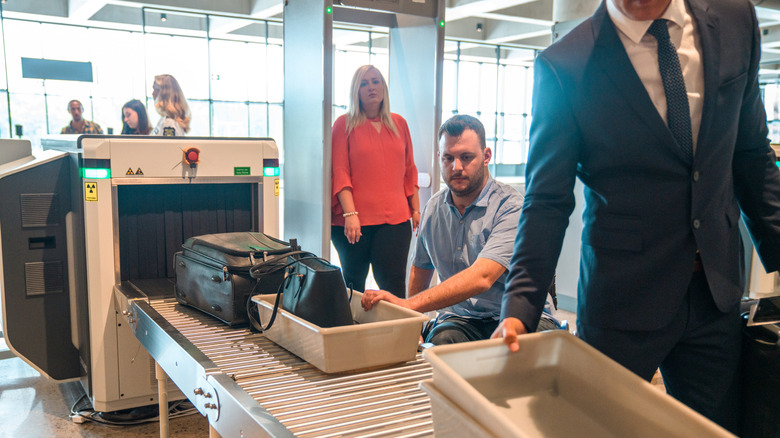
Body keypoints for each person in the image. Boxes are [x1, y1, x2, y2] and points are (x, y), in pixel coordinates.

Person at [492, 0, 780, 432]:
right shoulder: (566, 64)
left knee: (714, 430)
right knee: (600, 428)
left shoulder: (736, 21)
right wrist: (520, 306)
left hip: (715, 292)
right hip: (620, 300)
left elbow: (752, 155)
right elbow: (547, 201)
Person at [361, 115, 558, 345]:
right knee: (438, 347)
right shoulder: (434, 209)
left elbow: (482, 277)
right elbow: (420, 271)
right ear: (439, 159)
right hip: (461, 320)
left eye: (466, 157)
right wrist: (413, 322)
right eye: (448, 158)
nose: (457, 167)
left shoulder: (511, 207)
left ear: (486, 157)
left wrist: (407, 304)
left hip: (518, 318)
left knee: (515, 355)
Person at [331, 65, 420, 297]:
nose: (371, 87)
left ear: (383, 87)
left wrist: (416, 208)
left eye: (376, 81)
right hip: (352, 222)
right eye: (364, 83)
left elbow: (409, 169)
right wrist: (351, 215)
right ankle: (351, 332)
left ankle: (398, 333)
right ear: (356, 91)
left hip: (396, 221)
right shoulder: (343, 124)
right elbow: (340, 172)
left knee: (393, 285)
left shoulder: (399, 123)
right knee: (353, 284)